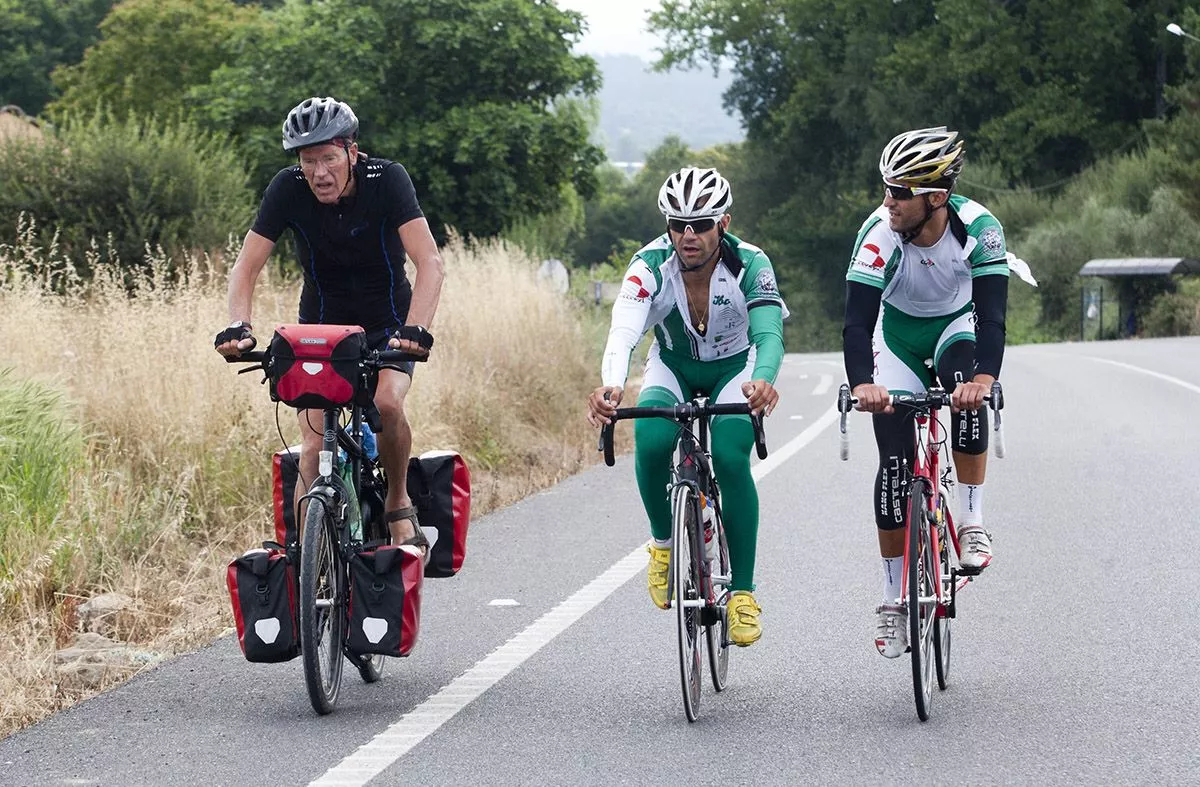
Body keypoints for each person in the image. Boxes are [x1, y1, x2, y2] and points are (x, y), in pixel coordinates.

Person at [214, 96, 445, 551]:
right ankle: (306, 554)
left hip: (389, 323)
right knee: (314, 438)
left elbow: (430, 263)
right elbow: (245, 268)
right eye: (308, 161)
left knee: (388, 405)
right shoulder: (287, 188)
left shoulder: (388, 180)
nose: (318, 173)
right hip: (321, 328)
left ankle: (398, 503)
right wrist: (238, 326)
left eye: (328, 158)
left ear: (351, 152)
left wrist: (416, 330)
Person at [587, 167, 786, 646]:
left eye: (700, 224)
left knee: (732, 456)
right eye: (678, 224)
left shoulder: (751, 264)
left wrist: (763, 380)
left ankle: (741, 593)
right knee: (652, 438)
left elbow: (769, 334)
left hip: (736, 366)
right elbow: (625, 331)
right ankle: (661, 544)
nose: (688, 235)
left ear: (725, 222)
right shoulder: (649, 265)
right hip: (673, 364)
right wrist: (611, 386)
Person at [842, 126, 1008, 658]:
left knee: (968, 393)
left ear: (936, 197)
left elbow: (993, 319)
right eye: (885, 188)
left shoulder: (979, 229)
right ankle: (893, 600)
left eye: (899, 192)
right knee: (894, 462)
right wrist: (864, 385)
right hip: (895, 339)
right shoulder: (878, 234)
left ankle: (972, 518)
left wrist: (983, 380)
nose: (887, 201)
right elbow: (855, 322)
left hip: (956, 329)